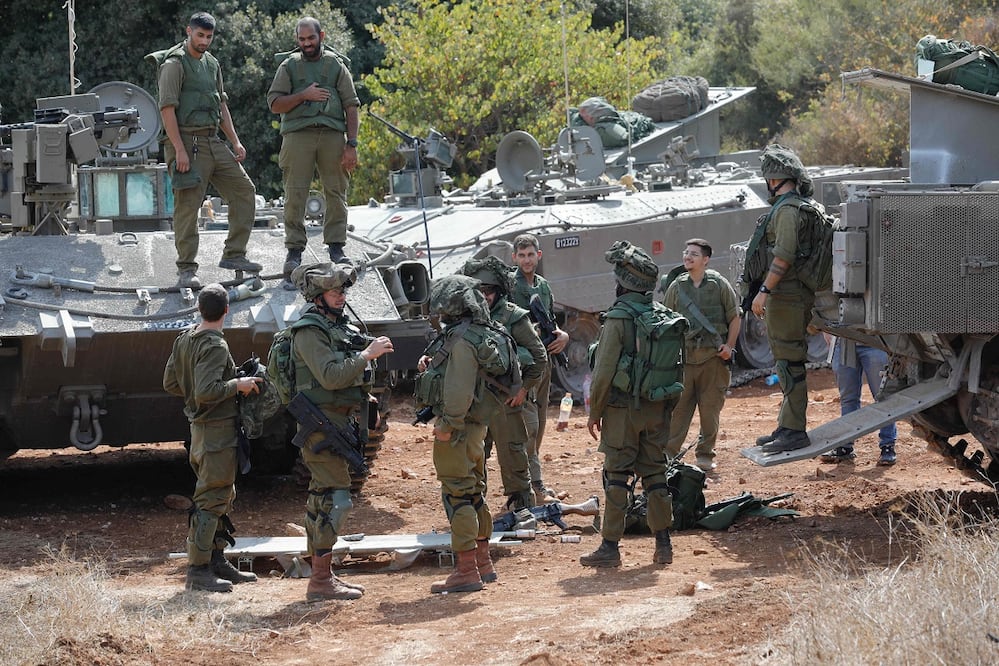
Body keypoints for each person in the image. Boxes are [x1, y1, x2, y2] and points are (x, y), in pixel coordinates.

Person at [287, 262, 394, 601]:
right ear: (317, 295)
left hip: (339, 420)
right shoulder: (309, 330)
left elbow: (345, 377)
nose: (341, 296)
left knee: (324, 499)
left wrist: (367, 401)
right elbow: (331, 376)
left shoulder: (337, 325)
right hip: (320, 425)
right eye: (334, 291)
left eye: (343, 291)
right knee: (337, 500)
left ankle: (322, 576)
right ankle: (320, 580)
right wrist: (367, 354)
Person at [151, 12, 262, 290]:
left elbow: (221, 105)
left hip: (213, 140)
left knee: (244, 191)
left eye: (209, 37)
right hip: (186, 142)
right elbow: (167, 109)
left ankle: (234, 254)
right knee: (188, 206)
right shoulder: (174, 64)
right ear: (189, 31)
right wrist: (179, 150)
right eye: (199, 35)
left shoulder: (212, 64)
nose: (204, 41)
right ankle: (186, 269)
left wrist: (234, 141)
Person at [163, 283, 262, 592]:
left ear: (198, 309)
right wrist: (238, 385)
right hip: (216, 434)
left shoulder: (185, 339)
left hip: (200, 432)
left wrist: (193, 395)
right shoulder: (215, 345)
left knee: (221, 496)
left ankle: (217, 560)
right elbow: (208, 391)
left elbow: (170, 383)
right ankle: (198, 570)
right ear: (227, 311)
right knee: (211, 500)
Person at [582, 241, 675, 568]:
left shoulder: (618, 318)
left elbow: (604, 370)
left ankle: (610, 547)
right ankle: (664, 545)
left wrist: (595, 413)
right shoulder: (663, 315)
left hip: (623, 412)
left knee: (617, 476)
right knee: (655, 475)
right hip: (656, 408)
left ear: (624, 283)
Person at [415, 274, 506, 594]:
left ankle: (466, 570)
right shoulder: (482, 332)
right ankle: (482, 562)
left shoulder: (463, 339)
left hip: (459, 428)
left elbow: (459, 388)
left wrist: (447, 425)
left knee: (458, 494)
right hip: (476, 427)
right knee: (474, 490)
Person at [267, 16, 360, 272]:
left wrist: (351, 144)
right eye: (302, 39)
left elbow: (351, 106)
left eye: (311, 38)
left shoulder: (336, 66)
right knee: (295, 193)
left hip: (332, 135)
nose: (307, 43)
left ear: (322, 36)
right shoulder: (289, 67)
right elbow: (275, 104)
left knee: (336, 191)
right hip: (298, 135)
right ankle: (294, 250)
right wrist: (303, 95)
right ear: (297, 40)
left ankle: (336, 247)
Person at [460, 256, 548, 509]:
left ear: (498, 291)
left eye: (489, 291)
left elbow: (539, 357)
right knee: (474, 457)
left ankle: (521, 505)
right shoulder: (466, 316)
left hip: (505, 401)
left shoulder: (513, 317)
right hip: (475, 401)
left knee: (513, 456)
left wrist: (523, 389)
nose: (484, 296)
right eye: (479, 290)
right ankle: (475, 506)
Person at [749, 144, 820, 454]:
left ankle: (795, 431)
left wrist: (764, 291)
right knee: (785, 362)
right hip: (787, 296)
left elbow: (784, 255)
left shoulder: (789, 211)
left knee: (790, 363)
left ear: (774, 179)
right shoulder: (791, 207)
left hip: (788, 296)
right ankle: (787, 425)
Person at [663, 239, 741, 472]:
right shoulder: (676, 287)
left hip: (713, 361)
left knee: (710, 411)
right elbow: (666, 322)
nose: (687, 257)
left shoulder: (719, 285)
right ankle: (669, 455)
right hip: (685, 362)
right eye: (686, 253)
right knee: (678, 412)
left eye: (694, 254)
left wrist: (729, 346)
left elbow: (735, 317)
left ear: (705, 260)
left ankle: (705, 454)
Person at [509, 233, 570, 500]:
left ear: (539, 256)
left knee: (541, 423)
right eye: (521, 255)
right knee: (529, 428)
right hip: (524, 365)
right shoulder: (512, 285)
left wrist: (563, 336)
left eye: (530, 255)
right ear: (514, 258)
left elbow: (550, 322)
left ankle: (531, 480)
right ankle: (533, 486)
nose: (526, 260)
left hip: (544, 362)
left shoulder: (543, 285)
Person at [821, 338, 898, 465]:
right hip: (844, 341)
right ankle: (845, 445)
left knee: (883, 398)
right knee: (848, 398)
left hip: (874, 340)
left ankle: (887, 446)